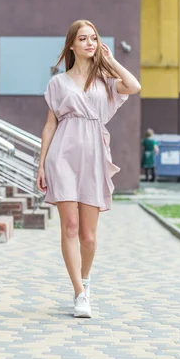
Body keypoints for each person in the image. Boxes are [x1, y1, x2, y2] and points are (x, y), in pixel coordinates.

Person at [36, 20, 141, 318]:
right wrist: (42, 164)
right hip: (62, 156)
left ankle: (85, 278)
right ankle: (79, 294)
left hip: (93, 156)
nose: (89, 43)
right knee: (69, 226)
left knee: (89, 237)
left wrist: (111, 60)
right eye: (83, 39)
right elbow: (49, 125)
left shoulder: (104, 80)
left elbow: (134, 86)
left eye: (93, 38)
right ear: (71, 45)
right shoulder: (57, 83)